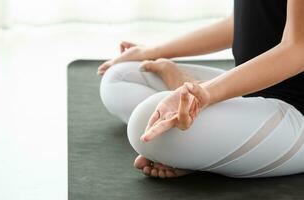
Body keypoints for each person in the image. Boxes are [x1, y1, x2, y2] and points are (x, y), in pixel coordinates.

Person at [98, 0, 304, 178]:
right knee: (119, 76)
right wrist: (152, 51)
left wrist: (207, 93)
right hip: (250, 91)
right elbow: (238, 24)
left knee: (142, 122)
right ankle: (197, 144)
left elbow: (297, 49)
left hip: (297, 112)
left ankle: (193, 140)